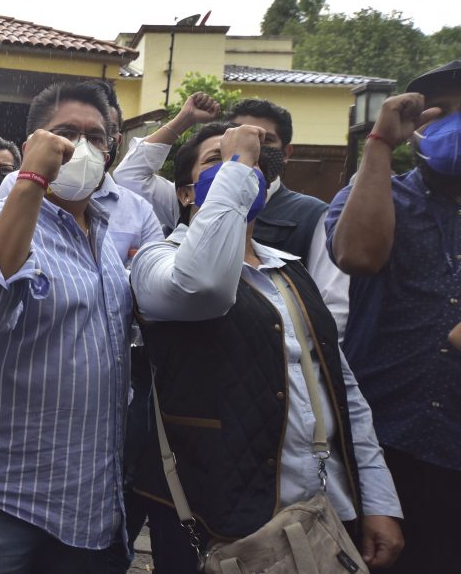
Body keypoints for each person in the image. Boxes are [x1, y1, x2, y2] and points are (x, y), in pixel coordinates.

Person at [130, 122, 403, 572]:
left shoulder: (291, 272)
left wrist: (376, 497)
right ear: (185, 194)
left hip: (322, 508)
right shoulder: (156, 261)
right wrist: (237, 166)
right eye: (216, 158)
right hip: (213, 518)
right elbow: (203, 284)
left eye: (250, 160)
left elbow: (342, 391)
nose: (241, 165)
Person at [0, 81, 132, 573]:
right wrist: (30, 180)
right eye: (66, 133)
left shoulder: (107, 243)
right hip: (0, 500)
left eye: (96, 137)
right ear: (37, 142)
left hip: (88, 506)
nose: (81, 148)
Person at [326, 63, 461, 574]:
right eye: (439, 114)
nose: (452, 126)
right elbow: (358, 255)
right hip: (381, 448)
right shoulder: (383, 191)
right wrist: (380, 143)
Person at [113, 95, 351, 337]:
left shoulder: (309, 220)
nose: (247, 150)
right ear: (185, 194)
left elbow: (331, 312)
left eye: (262, 142)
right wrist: (187, 121)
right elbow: (130, 177)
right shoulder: (172, 235)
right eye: (235, 142)